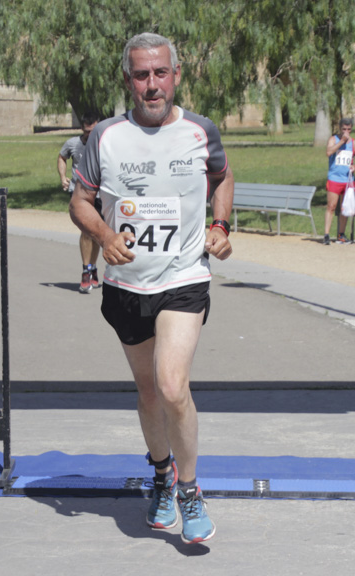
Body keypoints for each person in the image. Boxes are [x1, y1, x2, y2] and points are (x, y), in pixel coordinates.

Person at [69, 32, 233, 545]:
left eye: (160, 73)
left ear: (176, 75)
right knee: (146, 391)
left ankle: (189, 491)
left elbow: (223, 177)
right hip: (125, 285)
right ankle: (160, 476)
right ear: (128, 81)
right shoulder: (106, 137)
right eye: (141, 75)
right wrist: (102, 235)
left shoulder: (201, 131)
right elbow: (80, 200)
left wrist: (222, 226)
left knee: (171, 386)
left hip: (184, 278)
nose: (152, 84)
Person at [57, 111, 102, 292]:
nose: (89, 136)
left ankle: (92, 268)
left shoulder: (104, 144)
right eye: (86, 132)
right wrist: (63, 177)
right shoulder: (73, 144)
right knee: (86, 231)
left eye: (92, 132)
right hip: (80, 194)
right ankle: (85, 272)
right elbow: (62, 157)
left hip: (100, 194)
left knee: (97, 233)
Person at [323, 118, 355, 245]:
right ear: (339, 128)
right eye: (344, 129)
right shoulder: (333, 140)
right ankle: (326, 234)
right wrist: (341, 141)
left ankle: (341, 234)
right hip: (334, 178)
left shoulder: (354, 143)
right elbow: (328, 152)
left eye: (348, 129)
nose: (346, 132)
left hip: (347, 180)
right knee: (331, 206)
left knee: (345, 208)